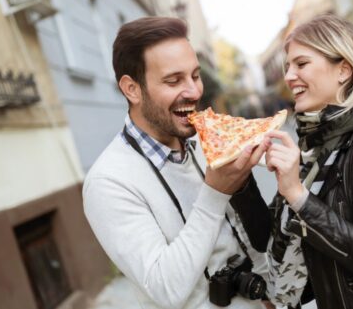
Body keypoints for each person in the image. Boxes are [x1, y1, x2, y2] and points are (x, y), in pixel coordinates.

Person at [233, 14, 353, 309]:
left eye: (301, 64)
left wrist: (298, 195)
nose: (288, 77)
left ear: (344, 71)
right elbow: (268, 239)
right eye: (287, 67)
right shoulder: (314, 147)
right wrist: (239, 179)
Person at [82, 16, 272, 309]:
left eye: (195, 76)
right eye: (174, 80)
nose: (194, 92)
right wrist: (215, 192)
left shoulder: (203, 144)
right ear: (132, 89)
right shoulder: (107, 182)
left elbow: (247, 240)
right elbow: (165, 289)